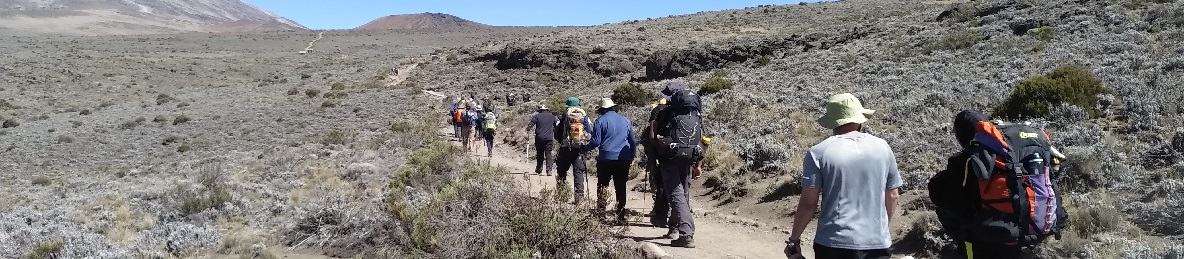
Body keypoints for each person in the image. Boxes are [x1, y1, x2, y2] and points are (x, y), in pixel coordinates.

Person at [928, 111, 1068, 259]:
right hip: (1022, 226)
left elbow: (942, 196)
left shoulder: (967, 160)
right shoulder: (1009, 154)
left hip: (989, 233)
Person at [785, 93, 902, 259]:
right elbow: (893, 195)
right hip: (877, 243)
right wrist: (881, 228)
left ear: (832, 121)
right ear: (860, 118)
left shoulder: (818, 153)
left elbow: (808, 203)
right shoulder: (883, 147)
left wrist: (794, 240)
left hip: (834, 243)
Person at [649, 82, 705, 248]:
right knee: (684, 192)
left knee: (675, 193)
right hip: (691, 156)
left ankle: (686, 233)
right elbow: (703, 141)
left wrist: (661, 150)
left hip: (670, 157)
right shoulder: (694, 114)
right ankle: (675, 228)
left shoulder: (664, 112)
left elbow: (652, 137)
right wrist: (698, 164)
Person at [582, 98, 638, 223]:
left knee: (602, 186)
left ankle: (601, 214)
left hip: (605, 159)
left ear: (602, 109)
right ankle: (620, 216)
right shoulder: (625, 120)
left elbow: (596, 141)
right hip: (623, 159)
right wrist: (632, 156)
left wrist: (584, 149)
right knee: (621, 187)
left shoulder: (600, 121)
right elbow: (632, 141)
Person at [554, 97, 593, 204]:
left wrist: (563, 142)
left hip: (565, 148)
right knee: (578, 172)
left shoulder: (563, 117)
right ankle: (579, 197)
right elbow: (591, 132)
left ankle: (561, 194)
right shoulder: (585, 117)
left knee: (561, 171)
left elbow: (556, 133)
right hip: (579, 149)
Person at [528, 104, 559, 175]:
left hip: (539, 137)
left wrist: (528, 129)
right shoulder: (553, 116)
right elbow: (557, 125)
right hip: (549, 137)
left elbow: (530, 125)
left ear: (540, 110)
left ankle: (539, 169)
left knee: (540, 153)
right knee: (548, 153)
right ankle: (549, 170)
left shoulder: (537, 116)